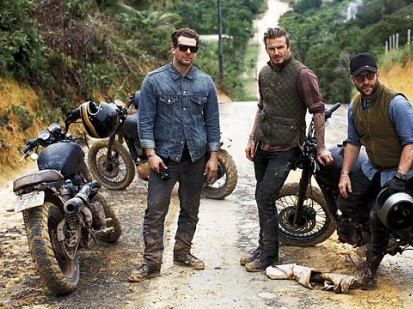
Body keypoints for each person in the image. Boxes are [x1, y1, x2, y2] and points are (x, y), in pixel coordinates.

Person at [128, 28, 220, 282]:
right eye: (183, 47)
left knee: (191, 209)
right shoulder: (154, 81)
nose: (188, 52)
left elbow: (212, 123)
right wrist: (151, 154)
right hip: (164, 159)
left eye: (193, 49)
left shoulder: (205, 82)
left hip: (195, 158)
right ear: (173, 49)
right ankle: (151, 263)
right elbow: (144, 121)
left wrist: (213, 157)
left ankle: (182, 252)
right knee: (155, 212)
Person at [241, 27, 333, 272]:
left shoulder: (302, 74)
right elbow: (261, 108)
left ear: (288, 46)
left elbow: (317, 111)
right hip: (263, 144)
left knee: (265, 196)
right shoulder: (263, 72)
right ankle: (264, 246)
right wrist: (252, 139)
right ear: (267, 49)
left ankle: (269, 255)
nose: (276, 52)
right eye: (272, 48)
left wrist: (321, 147)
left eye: (280, 47)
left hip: (287, 147)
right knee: (263, 197)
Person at [338, 52, 413, 289]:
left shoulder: (395, 102)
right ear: (353, 80)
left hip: (403, 169)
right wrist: (345, 174)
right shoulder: (355, 106)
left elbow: (410, 142)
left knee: (379, 216)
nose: (366, 82)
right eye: (360, 78)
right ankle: (379, 241)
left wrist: (400, 177)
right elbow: (353, 143)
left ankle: (368, 274)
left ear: (377, 74)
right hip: (374, 167)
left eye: (370, 76)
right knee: (346, 201)